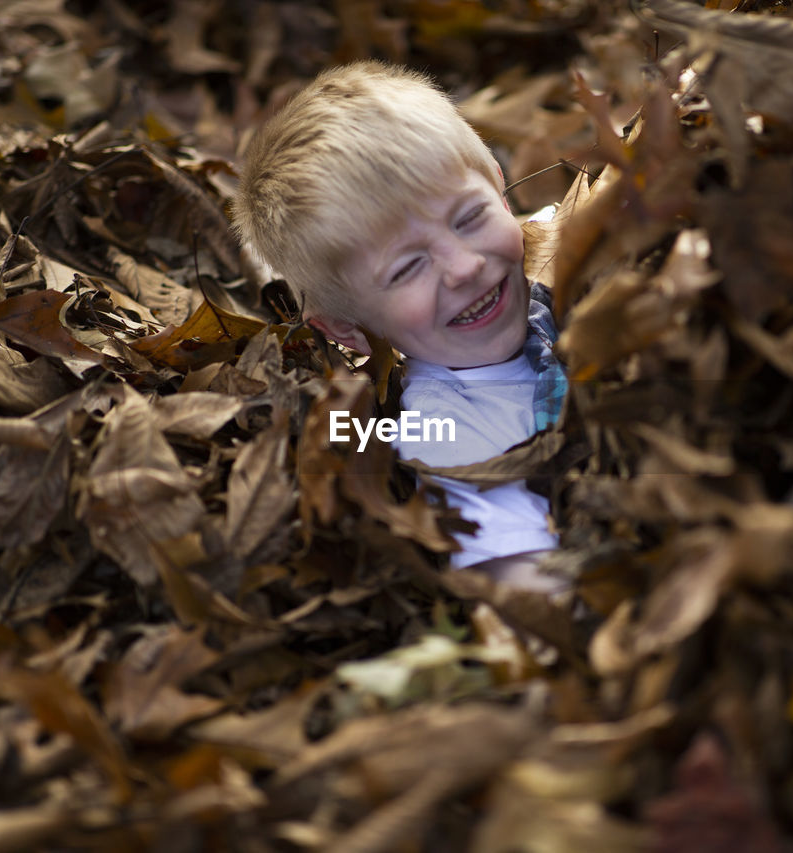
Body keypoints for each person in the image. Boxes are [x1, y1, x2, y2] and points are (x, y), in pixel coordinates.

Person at [232, 61, 567, 593]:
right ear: (350, 331)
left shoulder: (578, 242)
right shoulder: (448, 430)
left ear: (500, 192)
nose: (465, 266)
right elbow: (530, 591)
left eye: (470, 218)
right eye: (408, 268)